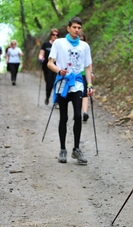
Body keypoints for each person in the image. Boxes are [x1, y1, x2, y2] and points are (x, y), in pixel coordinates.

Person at [47, 17, 94, 164]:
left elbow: (88, 67)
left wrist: (90, 85)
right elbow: (50, 63)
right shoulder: (59, 43)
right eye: (74, 27)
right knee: (63, 117)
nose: (77, 30)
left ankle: (76, 149)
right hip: (63, 84)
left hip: (78, 84)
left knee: (78, 116)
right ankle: (62, 149)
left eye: (79, 28)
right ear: (68, 28)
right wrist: (59, 70)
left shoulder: (84, 46)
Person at [39, 28, 59, 105]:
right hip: (47, 68)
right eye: (53, 34)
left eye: (57, 35)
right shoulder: (46, 44)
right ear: (51, 35)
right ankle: (47, 96)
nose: (55, 36)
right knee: (49, 84)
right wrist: (41, 58)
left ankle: (56, 101)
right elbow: (41, 54)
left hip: (57, 67)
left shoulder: (59, 45)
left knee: (56, 84)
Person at [79, 32, 93, 122]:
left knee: (84, 95)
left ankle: (85, 112)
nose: (81, 40)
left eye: (82, 39)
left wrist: (91, 73)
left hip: (84, 74)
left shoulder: (85, 48)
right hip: (75, 76)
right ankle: (78, 112)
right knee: (77, 96)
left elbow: (89, 63)